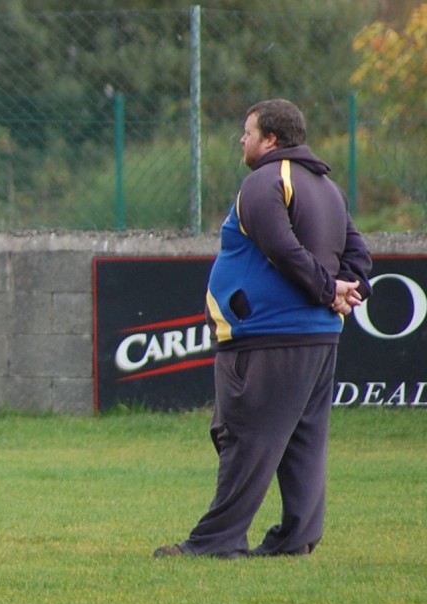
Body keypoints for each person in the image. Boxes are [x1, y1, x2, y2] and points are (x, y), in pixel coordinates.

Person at [154, 99, 372, 560]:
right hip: (319, 335)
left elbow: (282, 249)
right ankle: (297, 539)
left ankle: (216, 542)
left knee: (244, 434)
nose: (242, 139)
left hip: (269, 336)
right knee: (303, 441)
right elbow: (359, 254)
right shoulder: (328, 187)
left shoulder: (265, 182)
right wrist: (349, 291)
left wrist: (329, 288)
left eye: (247, 132)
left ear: (270, 139)